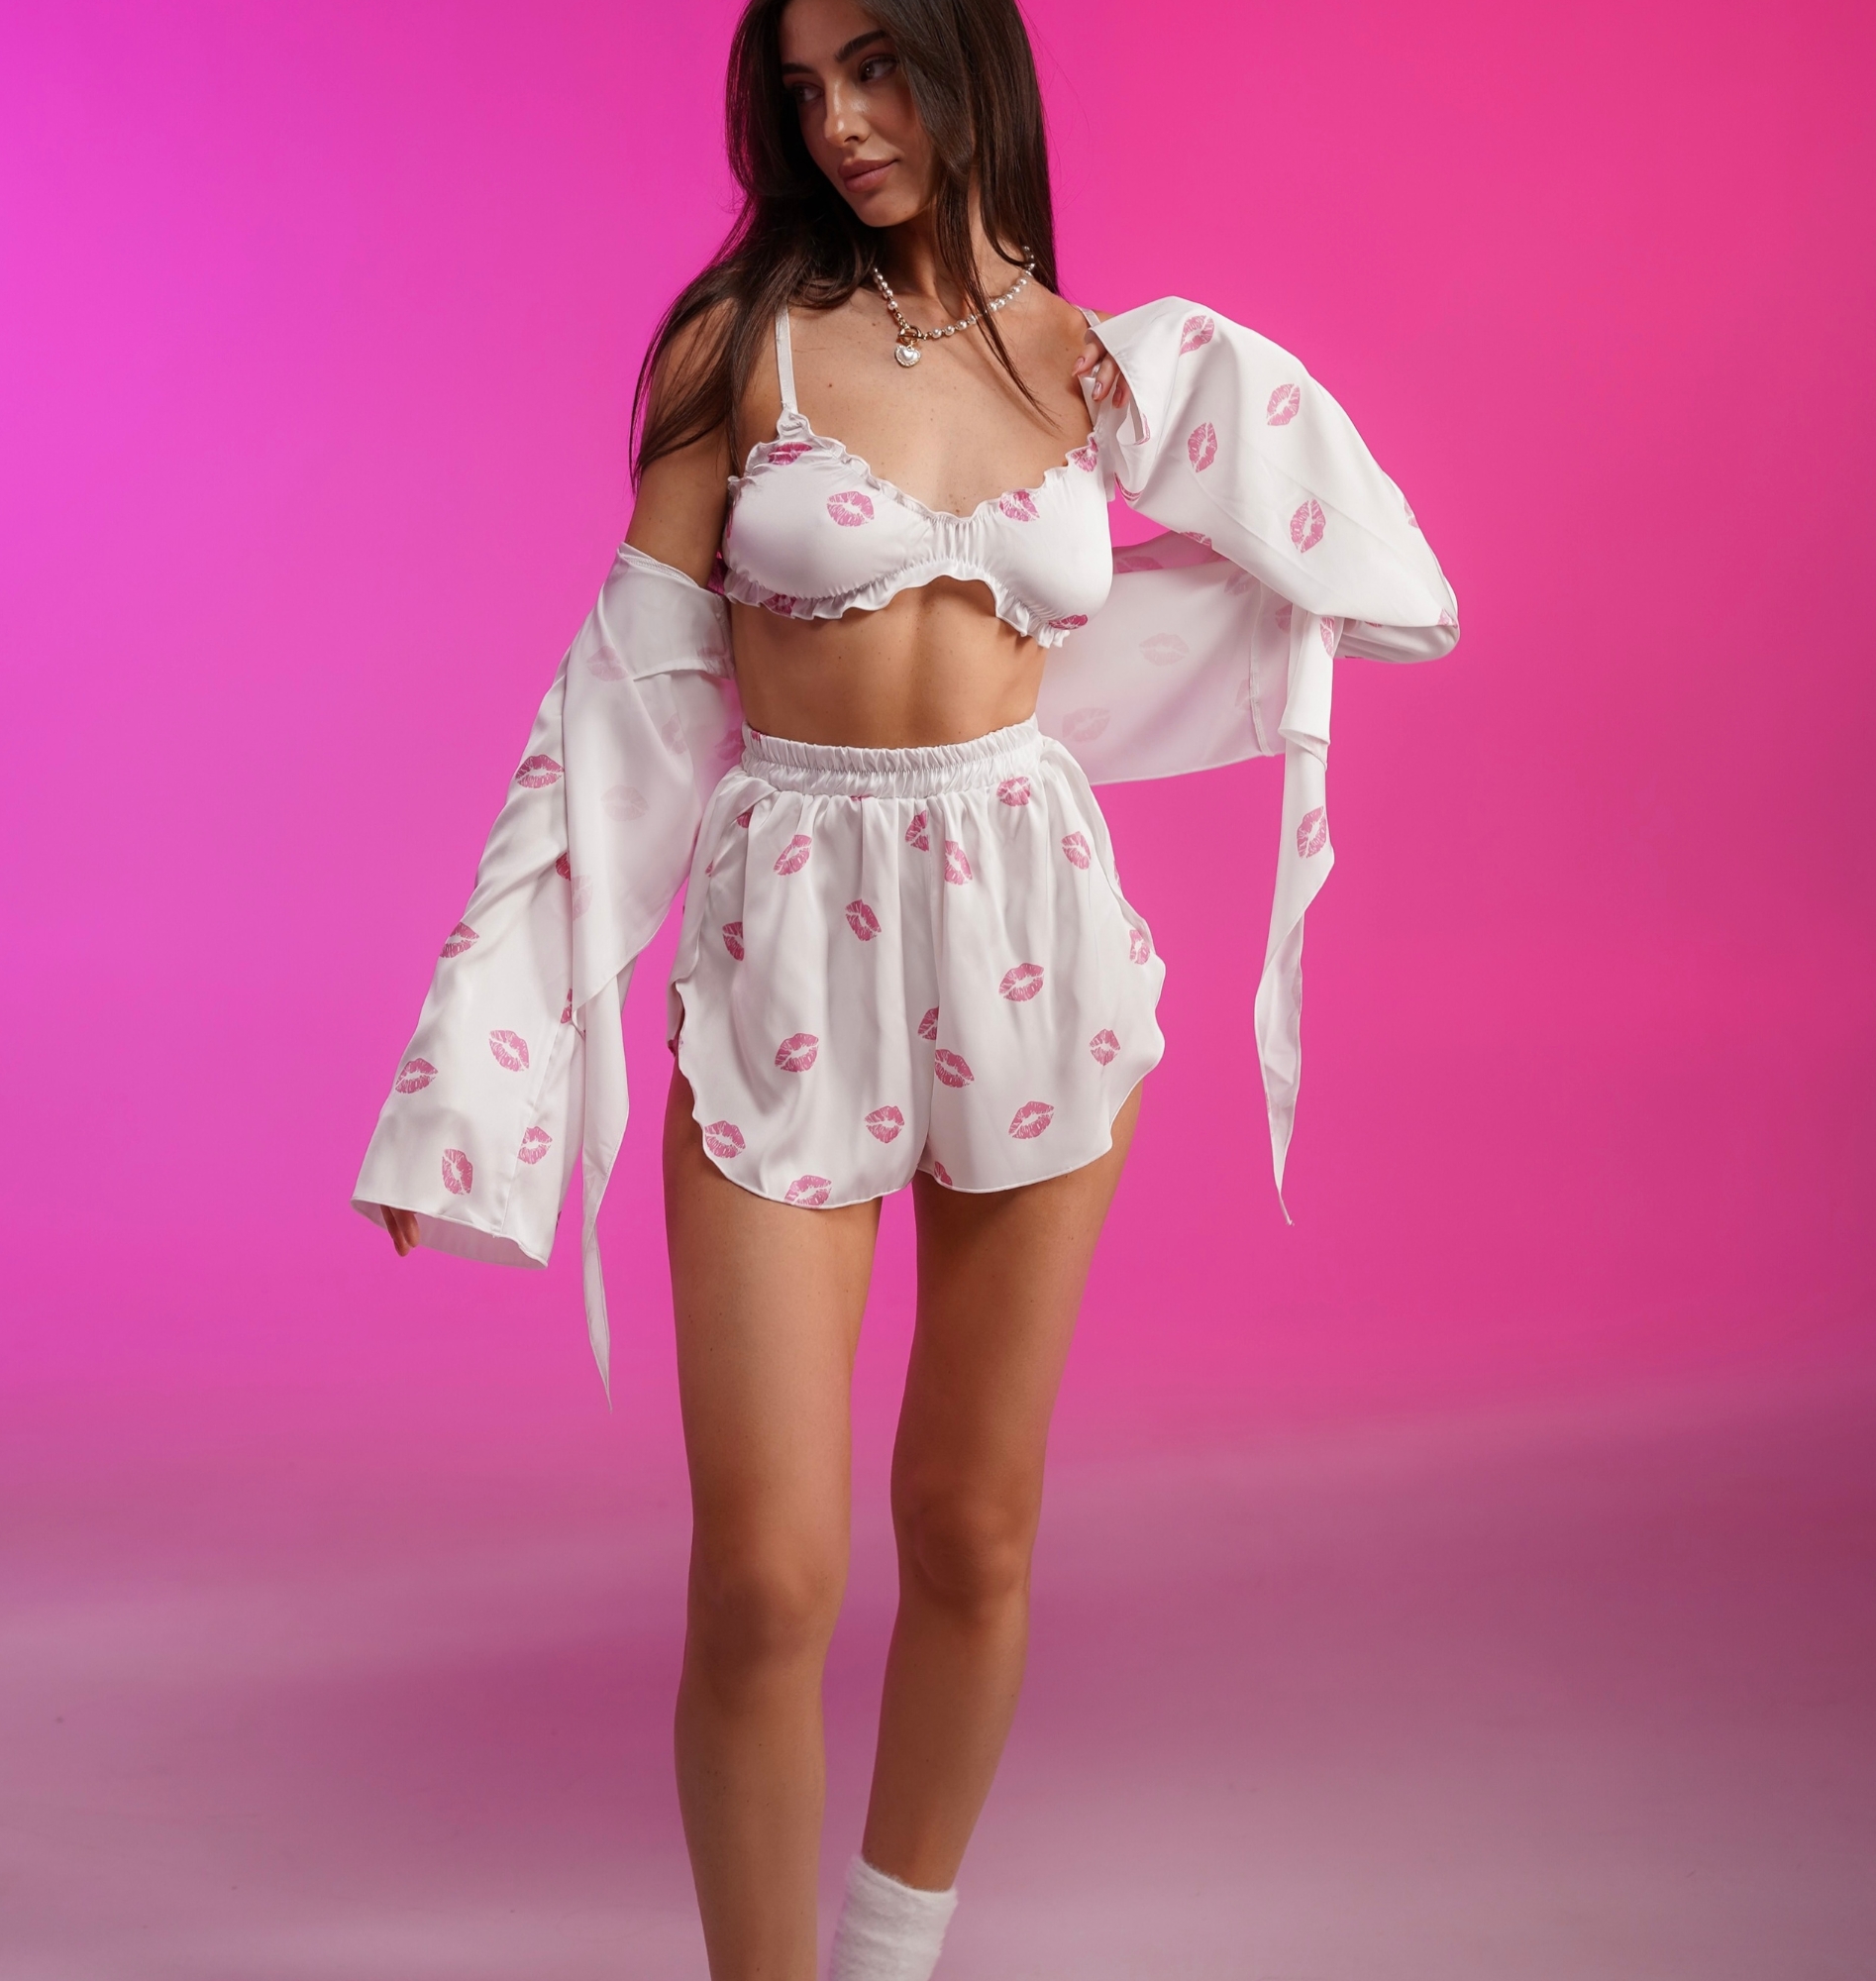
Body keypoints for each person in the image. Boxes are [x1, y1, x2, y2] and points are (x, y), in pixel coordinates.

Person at [353, 0, 1458, 1974]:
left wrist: (1193, 387)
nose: (840, 122)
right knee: (768, 1577)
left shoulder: (1090, 364)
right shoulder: (738, 349)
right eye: (802, 90)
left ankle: (887, 1958)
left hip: (1033, 947)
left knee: (970, 1524)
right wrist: (471, 1075)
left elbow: (1383, 589)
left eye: (877, 67)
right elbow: (615, 721)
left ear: (968, 59)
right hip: (783, 947)